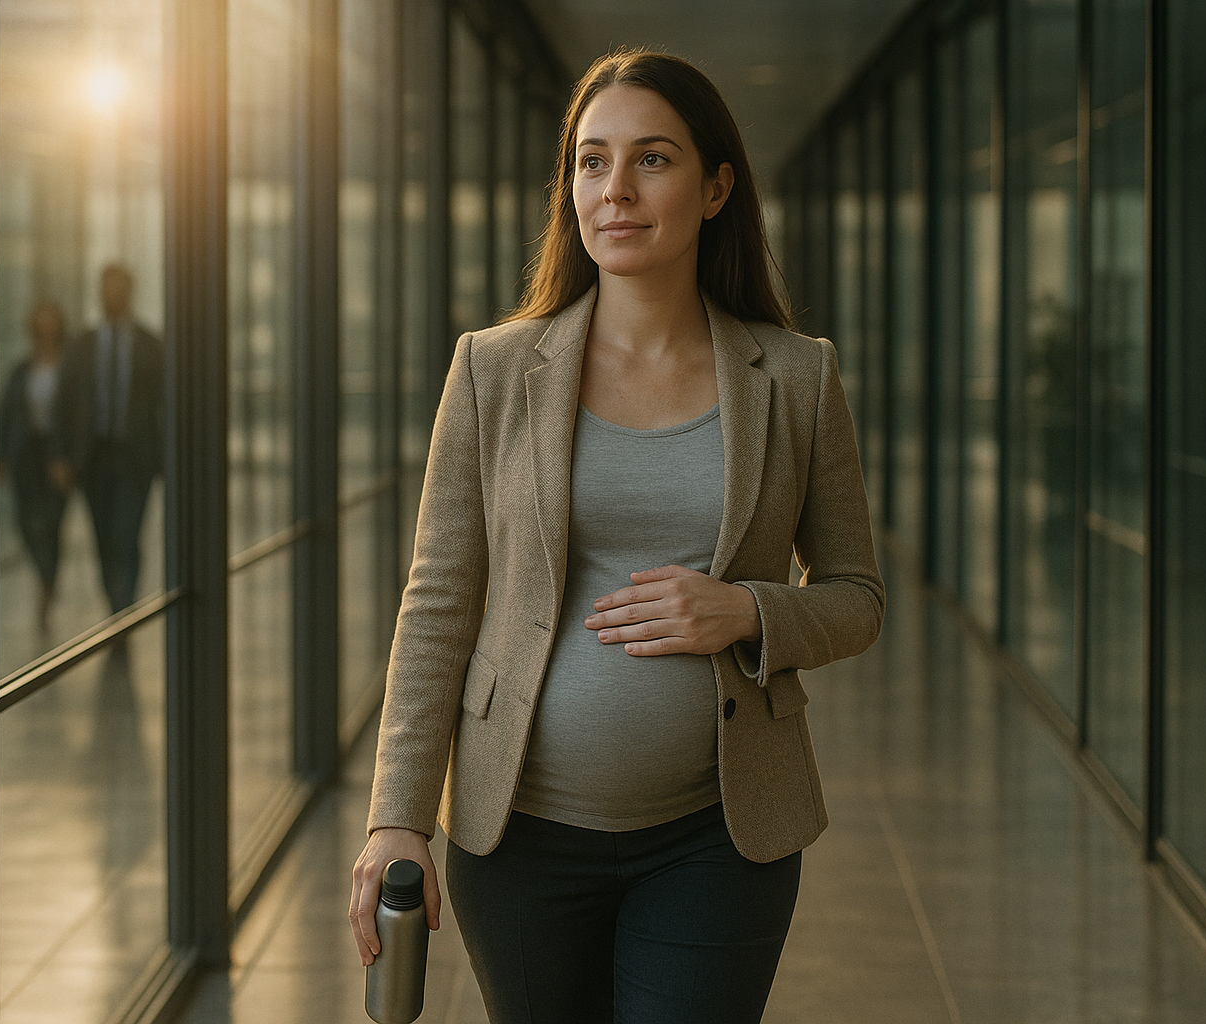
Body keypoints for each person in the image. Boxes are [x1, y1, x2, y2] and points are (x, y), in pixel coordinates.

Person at [349, 48, 884, 1024]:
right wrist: (397, 815)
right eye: (592, 162)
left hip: (719, 837)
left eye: (653, 159)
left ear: (717, 186)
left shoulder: (796, 377)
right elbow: (438, 604)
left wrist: (748, 610)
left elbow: (857, 595)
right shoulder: (492, 371)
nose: (616, 190)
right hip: (516, 840)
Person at [60, 263, 164, 615]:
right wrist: (62, 456)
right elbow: (66, 402)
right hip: (94, 457)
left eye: (119, 288)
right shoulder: (82, 345)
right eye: (107, 288)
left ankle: (124, 608)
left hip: (136, 457)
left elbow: (164, 406)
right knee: (103, 537)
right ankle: (114, 601)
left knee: (127, 535)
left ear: (130, 293)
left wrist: (165, 459)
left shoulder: (151, 346)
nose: (112, 295)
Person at [0, 298, 72, 630]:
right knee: (26, 522)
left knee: (53, 523)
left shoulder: (68, 367)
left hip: (56, 457)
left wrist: (70, 459)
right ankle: (45, 578)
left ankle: (46, 588)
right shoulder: (22, 369)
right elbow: (6, 416)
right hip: (26, 456)